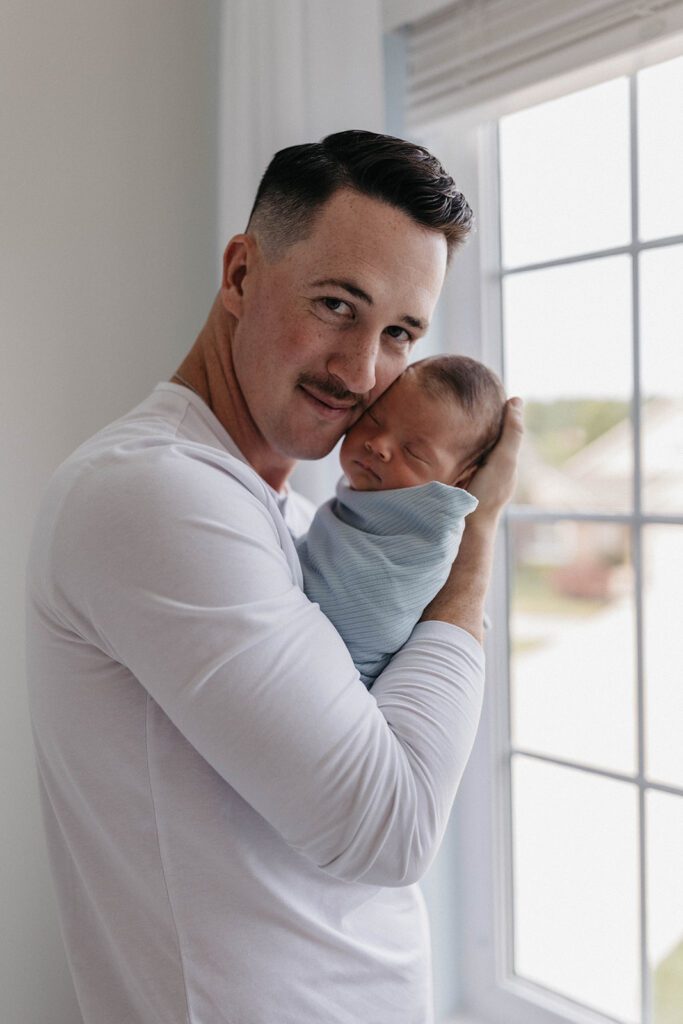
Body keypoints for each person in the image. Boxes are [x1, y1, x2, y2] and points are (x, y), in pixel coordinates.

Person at [26, 130, 523, 1024]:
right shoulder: (155, 496)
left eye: (399, 333)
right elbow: (392, 829)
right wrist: (475, 533)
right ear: (240, 273)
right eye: (337, 305)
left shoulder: (293, 522)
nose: (361, 371)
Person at [298, 354, 505, 685]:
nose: (378, 445)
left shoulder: (425, 534)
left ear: (460, 481)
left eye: (413, 452)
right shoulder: (356, 506)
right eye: (374, 420)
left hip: (345, 683)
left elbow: (360, 611)